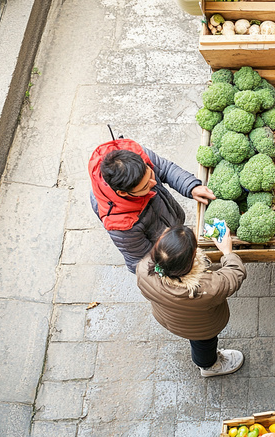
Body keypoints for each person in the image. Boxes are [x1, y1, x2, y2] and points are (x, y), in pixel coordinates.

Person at [88, 137, 216, 273]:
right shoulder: (122, 226)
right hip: (163, 248)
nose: (153, 183)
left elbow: (165, 169)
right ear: (123, 193)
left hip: (169, 220)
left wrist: (191, 187)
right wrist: (177, 267)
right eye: (145, 187)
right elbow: (140, 262)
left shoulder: (135, 156)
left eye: (151, 174)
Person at [136, 224, 246, 377]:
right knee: (203, 346)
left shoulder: (143, 268)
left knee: (198, 342)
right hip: (201, 328)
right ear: (191, 261)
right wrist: (227, 252)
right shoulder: (205, 289)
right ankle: (209, 367)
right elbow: (234, 275)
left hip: (169, 318)